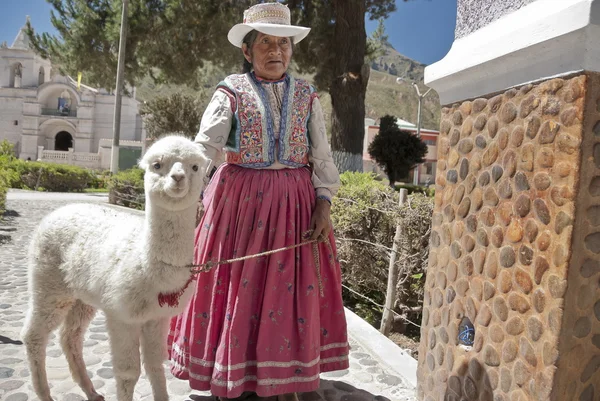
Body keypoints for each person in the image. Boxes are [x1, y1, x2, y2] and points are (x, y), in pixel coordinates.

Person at [168, 3, 349, 401]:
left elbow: (321, 156)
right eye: (265, 42)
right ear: (247, 51)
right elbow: (205, 148)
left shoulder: (306, 96)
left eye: (283, 44)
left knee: (289, 291)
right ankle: (231, 374)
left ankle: (284, 380)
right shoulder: (230, 92)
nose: (276, 51)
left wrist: (324, 203)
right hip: (238, 206)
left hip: (295, 209)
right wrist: (187, 195)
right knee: (235, 288)